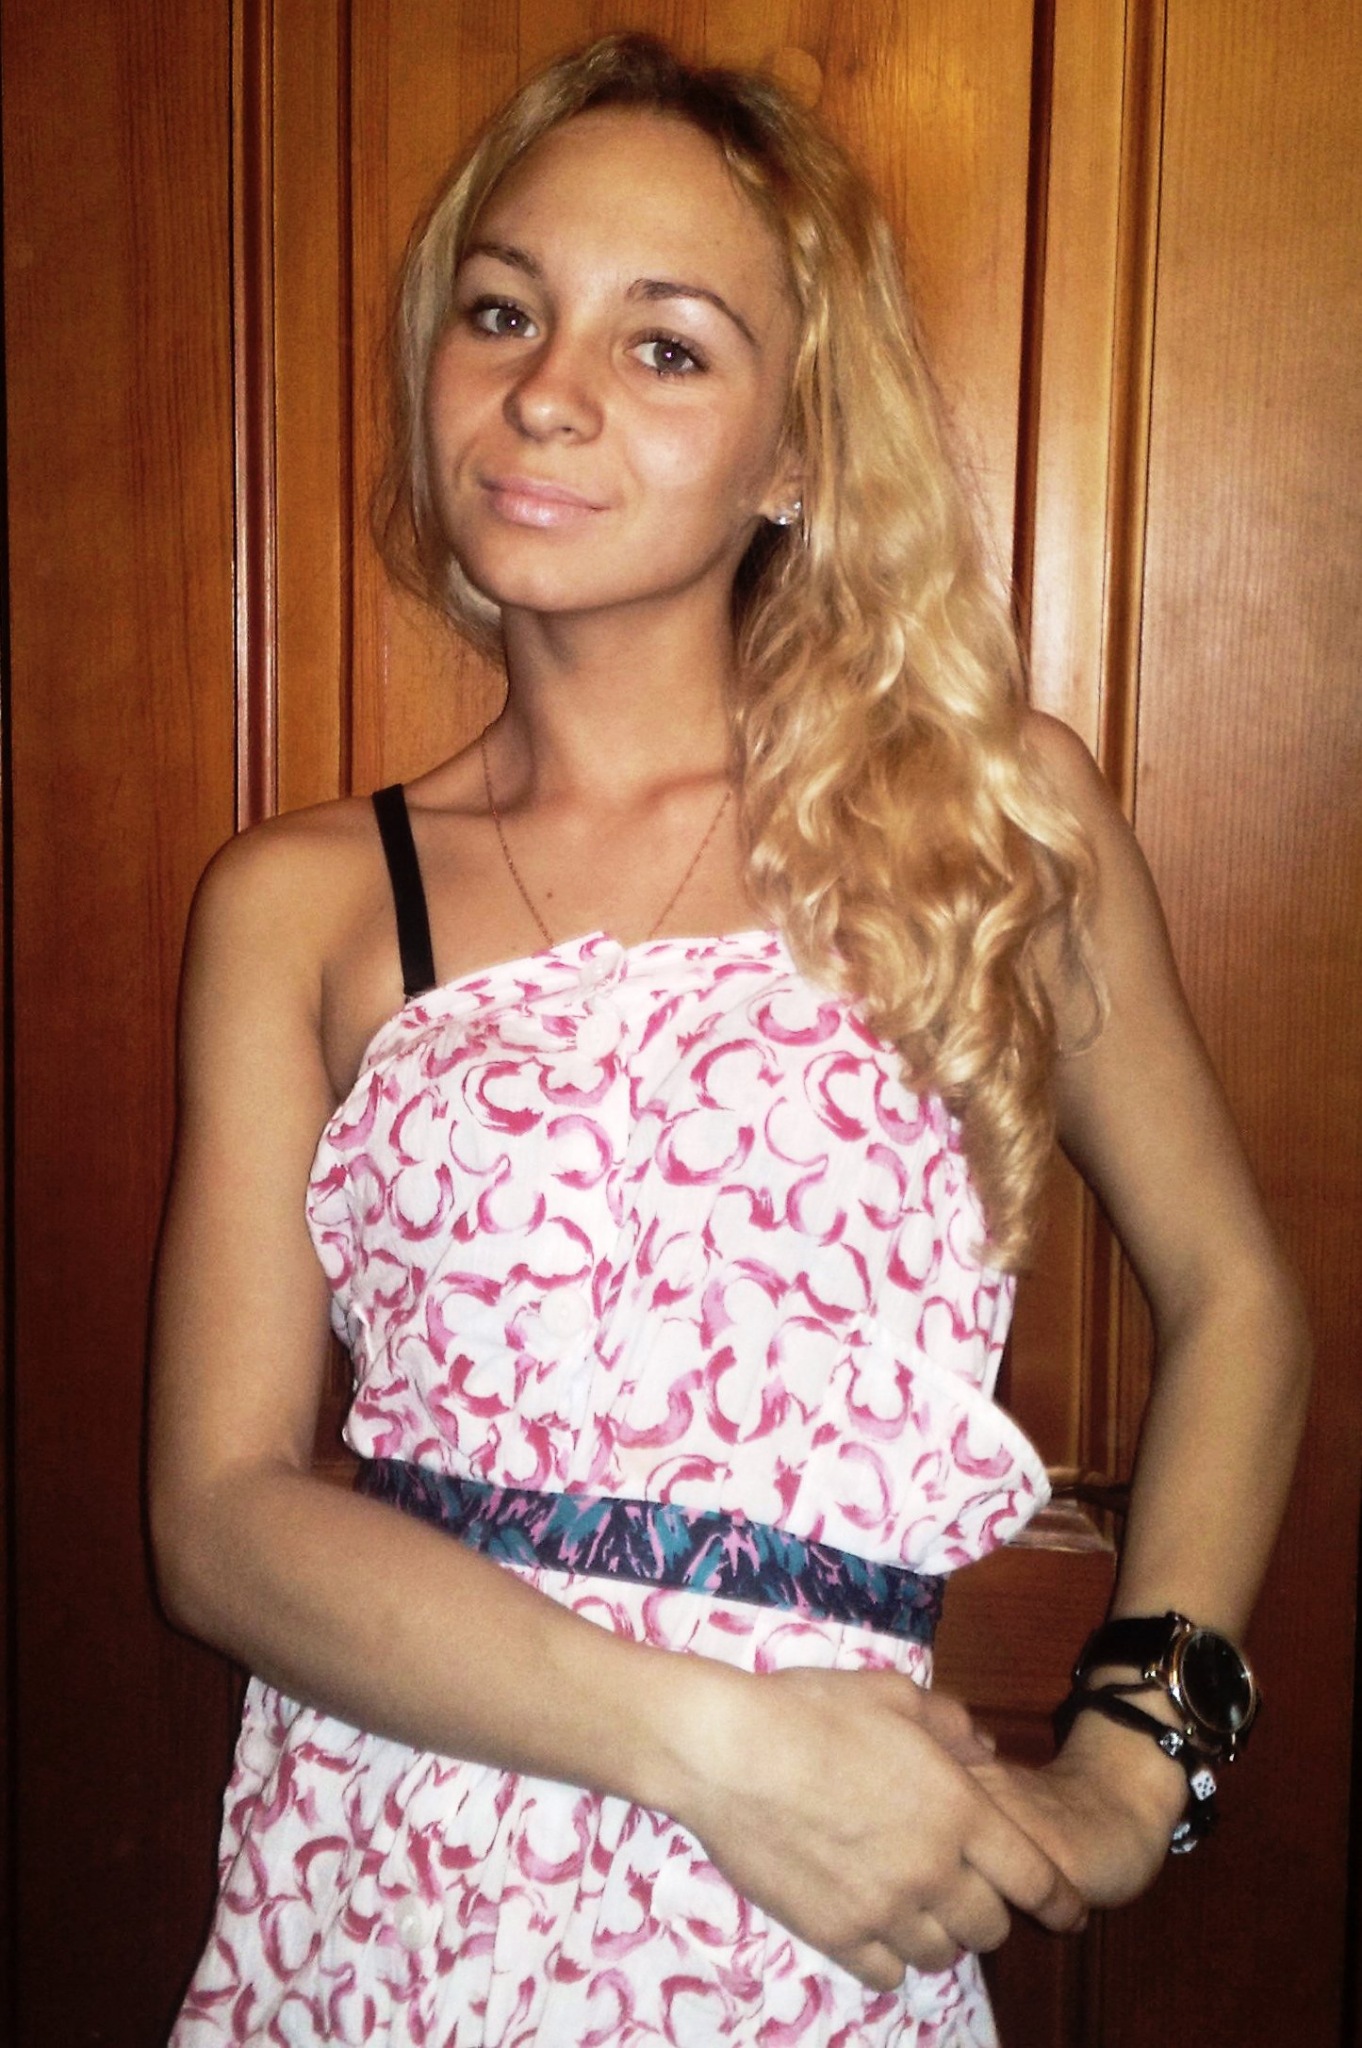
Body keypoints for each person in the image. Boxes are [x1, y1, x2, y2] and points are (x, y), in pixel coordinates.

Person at [150, 32, 1310, 2048]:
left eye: (665, 345)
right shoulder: (302, 902)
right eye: (502, 311)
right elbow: (220, 1519)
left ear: (793, 451)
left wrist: (1136, 1771)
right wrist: (713, 1747)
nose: (548, 390)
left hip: (825, 1914)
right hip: (389, 1881)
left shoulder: (987, 819)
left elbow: (1237, 1301)